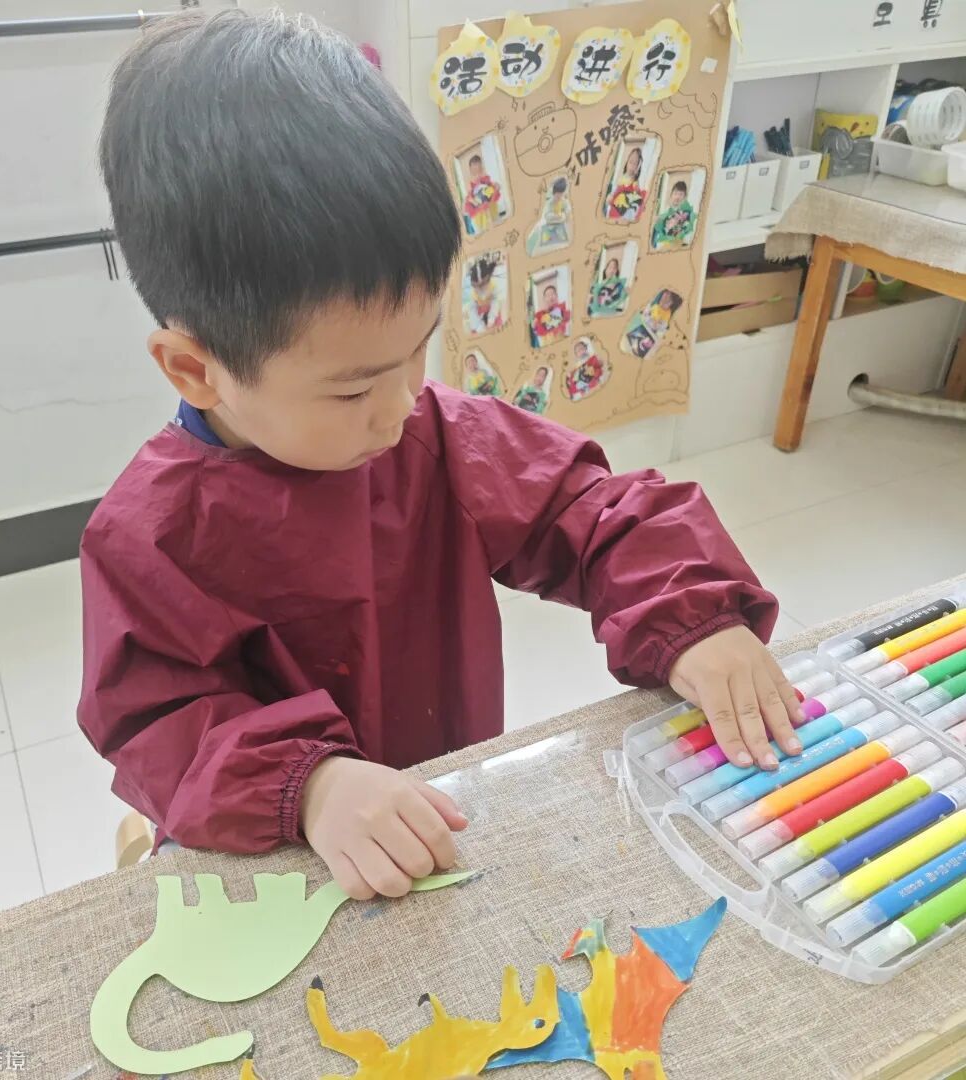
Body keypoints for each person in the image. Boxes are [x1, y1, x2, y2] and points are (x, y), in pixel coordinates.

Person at [78, 8, 802, 902]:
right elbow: (158, 720)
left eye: (419, 348)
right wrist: (309, 786)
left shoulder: (431, 432)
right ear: (196, 370)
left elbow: (591, 510)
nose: (399, 407)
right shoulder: (147, 538)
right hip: (275, 853)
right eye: (353, 389)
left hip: (436, 808)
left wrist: (694, 618)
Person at [463, 153, 502, 234]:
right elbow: (469, 199)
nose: (478, 174)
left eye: (480, 170)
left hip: (490, 210)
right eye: (475, 171)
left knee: (497, 227)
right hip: (479, 215)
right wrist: (473, 201)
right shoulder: (469, 184)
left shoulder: (486, 179)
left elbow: (494, 190)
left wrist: (496, 187)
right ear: (471, 170)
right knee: (482, 232)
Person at [606, 145, 646, 222]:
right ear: (627, 162)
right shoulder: (621, 178)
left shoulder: (635, 181)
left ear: (637, 167)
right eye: (630, 161)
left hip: (627, 207)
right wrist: (610, 196)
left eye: (635, 163)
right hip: (617, 206)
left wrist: (635, 178)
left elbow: (638, 195)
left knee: (634, 205)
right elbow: (615, 191)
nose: (631, 164)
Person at [652, 180, 696, 249]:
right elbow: (655, 241)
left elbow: (687, 238)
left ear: (685, 197)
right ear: (671, 195)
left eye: (681, 194)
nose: (677, 197)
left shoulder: (688, 215)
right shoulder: (663, 214)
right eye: (675, 193)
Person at [467, 256, 503, 334]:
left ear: (488, 280)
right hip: (479, 317)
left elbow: (495, 302)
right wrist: (479, 326)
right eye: (477, 287)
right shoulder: (473, 294)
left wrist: (491, 318)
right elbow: (472, 310)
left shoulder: (493, 287)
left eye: (483, 286)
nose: (480, 290)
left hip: (493, 314)